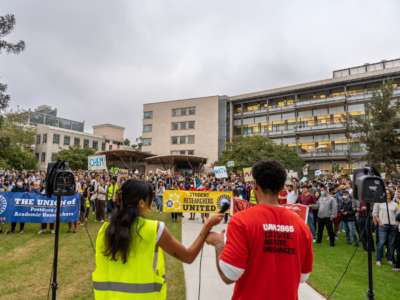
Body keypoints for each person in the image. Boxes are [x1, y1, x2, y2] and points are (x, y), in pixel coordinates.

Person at [92, 179, 223, 299]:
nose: (152, 203)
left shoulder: (103, 230)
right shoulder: (154, 229)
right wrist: (207, 227)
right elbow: (188, 256)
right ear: (142, 203)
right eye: (150, 200)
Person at [206, 160, 313, 300]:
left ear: (255, 185)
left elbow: (229, 275)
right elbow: (303, 276)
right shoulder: (301, 226)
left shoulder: (240, 221)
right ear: (282, 188)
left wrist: (219, 244)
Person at [373, 189, 399, 266]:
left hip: (393, 226)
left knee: (391, 244)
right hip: (383, 226)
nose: (387, 195)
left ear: (391, 194)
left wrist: (396, 224)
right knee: (381, 242)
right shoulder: (378, 202)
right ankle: (378, 259)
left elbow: (398, 216)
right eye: (386, 193)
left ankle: (389, 258)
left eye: (388, 193)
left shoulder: (394, 204)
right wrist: (380, 222)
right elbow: (375, 213)